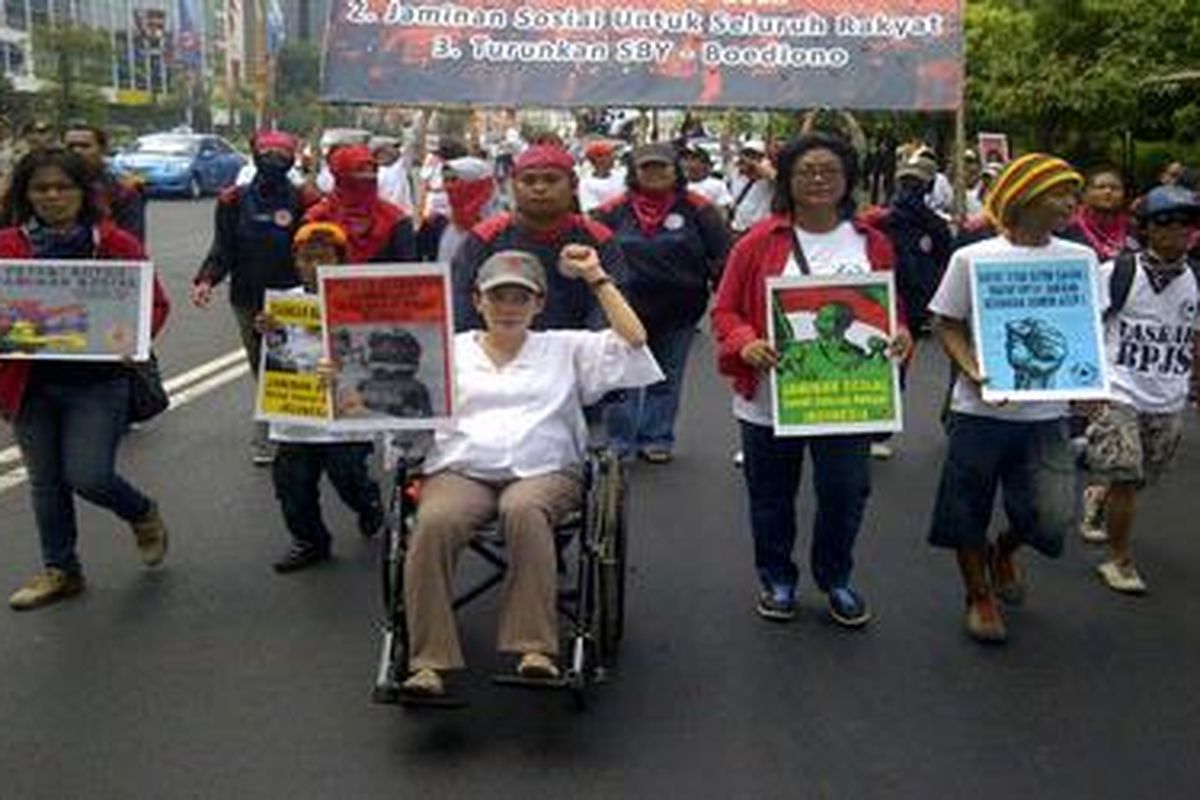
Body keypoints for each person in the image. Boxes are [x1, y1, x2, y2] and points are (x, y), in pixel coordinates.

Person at [399, 246, 662, 698]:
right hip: (464, 468)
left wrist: (597, 277)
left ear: (538, 304)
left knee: (523, 509)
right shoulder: (446, 350)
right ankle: (428, 661)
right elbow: (391, 393)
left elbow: (634, 339)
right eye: (497, 297)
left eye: (520, 298)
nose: (507, 308)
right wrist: (338, 377)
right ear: (477, 300)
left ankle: (534, 647)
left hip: (545, 470)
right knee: (435, 521)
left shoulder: (565, 347)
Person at [711, 133, 913, 628]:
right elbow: (726, 309)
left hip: (847, 396)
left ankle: (835, 577)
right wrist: (745, 342)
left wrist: (901, 333)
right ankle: (777, 579)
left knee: (846, 491)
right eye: (806, 171)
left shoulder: (873, 242)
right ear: (787, 180)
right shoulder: (759, 241)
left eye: (829, 170)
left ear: (848, 179)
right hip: (769, 399)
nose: (818, 179)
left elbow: (892, 308)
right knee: (772, 494)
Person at [926, 153, 1089, 644]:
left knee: (1051, 515)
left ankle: (1007, 548)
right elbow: (946, 322)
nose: (1069, 203)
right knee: (966, 507)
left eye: (1071, 192)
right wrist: (973, 369)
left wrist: (1091, 385)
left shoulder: (1079, 259)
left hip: (1048, 412)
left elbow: (1087, 331)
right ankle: (978, 594)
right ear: (1024, 198)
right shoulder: (972, 258)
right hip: (980, 412)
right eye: (1059, 192)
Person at [0, 147, 171, 611]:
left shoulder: (115, 245)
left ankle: (141, 512)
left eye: (63, 186)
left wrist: (130, 338)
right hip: (29, 383)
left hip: (97, 383)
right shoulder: (8, 247)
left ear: (83, 193)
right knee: (45, 482)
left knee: (89, 475)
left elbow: (155, 304)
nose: (52, 196)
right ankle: (61, 569)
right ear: (26, 194)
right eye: (41, 188)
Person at [1080, 186, 1200, 593]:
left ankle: (1099, 495)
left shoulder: (1196, 280)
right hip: (1120, 389)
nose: (1178, 231)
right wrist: (1087, 387)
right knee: (1128, 476)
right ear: (1147, 229)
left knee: (1142, 475)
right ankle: (1119, 559)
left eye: (1186, 223)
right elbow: (1088, 326)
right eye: (1166, 222)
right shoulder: (1118, 273)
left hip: (1169, 395)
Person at [257, 222, 384, 573]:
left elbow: (375, 353)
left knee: (348, 478)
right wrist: (269, 333)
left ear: (340, 261)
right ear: (295, 262)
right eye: (305, 258)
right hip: (298, 414)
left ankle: (368, 504)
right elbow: (279, 358)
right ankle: (310, 541)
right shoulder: (286, 303)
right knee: (291, 483)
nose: (313, 265)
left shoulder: (362, 300)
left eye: (322, 257)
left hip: (345, 415)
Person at [593, 143, 730, 462]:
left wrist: (722, 297)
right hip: (623, 311)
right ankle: (620, 442)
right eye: (646, 168)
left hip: (679, 310)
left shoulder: (698, 208)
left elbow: (723, 254)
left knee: (665, 377)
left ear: (675, 170)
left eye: (662, 167)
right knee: (621, 378)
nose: (654, 174)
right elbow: (592, 252)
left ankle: (657, 438)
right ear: (634, 172)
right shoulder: (612, 211)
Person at [191, 130, 316, 465]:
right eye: (267, 153)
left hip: (293, 299)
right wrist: (206, 279)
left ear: (292, 159)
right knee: (259, 364)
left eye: (282, 154)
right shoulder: (232, 200)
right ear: (255, 156)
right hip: (246, 296)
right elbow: (223, 248)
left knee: (287, 362)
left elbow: (315, 249)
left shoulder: (305, 200)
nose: (275, 160)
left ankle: (275, 433)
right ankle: (279, 422)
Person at [451, 144, 627, 331]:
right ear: (513, 185)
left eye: (551, 180)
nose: (540, 188)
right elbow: (463, 304)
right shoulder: (484, 237)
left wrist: (584, 350)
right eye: (529, 180)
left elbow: (611, 304)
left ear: (573, 185)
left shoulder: (598, 237)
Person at [303, 144, 416, 263]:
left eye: (372, 172)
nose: (368, 178)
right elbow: (308, 269)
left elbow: (408, 272)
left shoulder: (396, 221)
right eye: (359, 171)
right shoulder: (318, 218)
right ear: (341, 177)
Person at [63, 121, 146, 242]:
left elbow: (132, 242)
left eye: (84, 146)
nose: (77, 151)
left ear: (102, 149)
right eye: (71, 146)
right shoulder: (48, 187)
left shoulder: (122, 191)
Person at [1061, 166, 1136, 262]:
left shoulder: (1131, 227)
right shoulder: (1068, 228)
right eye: (1100, 187)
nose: (1108, 192)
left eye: (1115, 188)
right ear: (1084, 194)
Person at [434, 156, 500, 264]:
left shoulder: (499, 230)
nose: (448, 186)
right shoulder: (450, 228)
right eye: (445, 180)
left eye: (454, 180)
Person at [728, 140, 775, 236]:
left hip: (761, 231)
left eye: (753, 155)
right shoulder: (735, 173)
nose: (747, 158)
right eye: (746, 154)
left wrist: (756, 165)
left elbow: (776, 178)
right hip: (738, 229)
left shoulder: (767, 178)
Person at [682, 144, 734, 215]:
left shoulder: (717, 185)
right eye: (686, 158)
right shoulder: (679, 185)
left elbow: (723, 213)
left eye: (693, 158)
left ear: (704, 164)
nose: (688, 162)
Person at [578, 140, 626, 213]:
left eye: (610, 154)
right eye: (607, 155)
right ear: (597, 160)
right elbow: (591, 211)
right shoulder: (586, 184)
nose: (612, 158)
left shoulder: (621, 174)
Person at [372, 135, 414, 213]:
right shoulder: (376, 173)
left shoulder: (400, 165)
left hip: (403, 213)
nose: (396, 150)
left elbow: (410, 146)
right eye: (392, 148)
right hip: (385, 214)